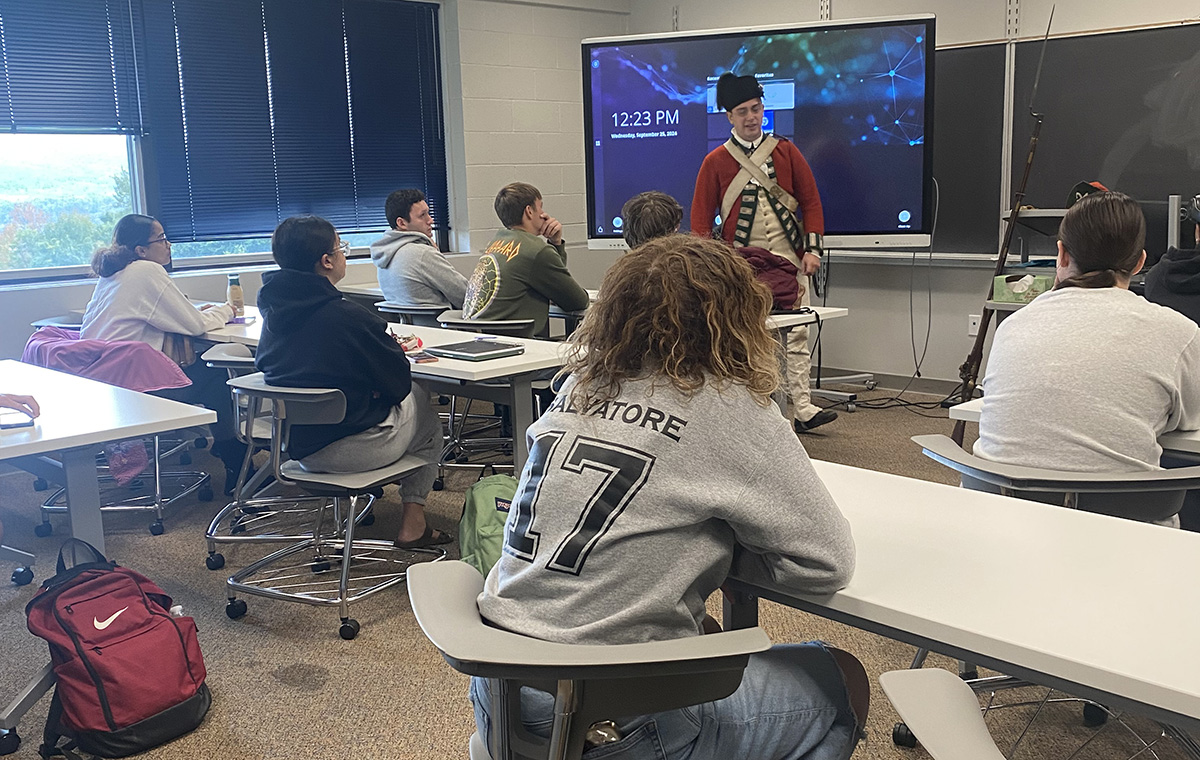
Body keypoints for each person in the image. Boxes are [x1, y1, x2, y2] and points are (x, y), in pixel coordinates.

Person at [472, 234, 865, 760]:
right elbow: (826, 566)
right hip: (612, 716)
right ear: (735, 318)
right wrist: (720, 552)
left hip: (503, 693)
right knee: (841, 676)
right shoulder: (730, 405)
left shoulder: (579, 385)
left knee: (702, 629)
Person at [977, 192, 1200, 523]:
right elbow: (1191, 420)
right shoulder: (1178, 332)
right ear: (1139, 262)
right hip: (1124, 541)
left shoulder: (1012, 326)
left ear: (1062, 254)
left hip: (1005, 523)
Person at [255, 216, 448, 548]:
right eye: (340, 248)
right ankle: (413, 521)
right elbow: (398, 384)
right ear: (326, 261)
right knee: (424, 405)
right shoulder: (352, 317)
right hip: (356, 450)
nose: (344, 254)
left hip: (296, 450)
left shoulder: (272, 316)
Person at [690, 72, 834, 434]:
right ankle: (760, 413)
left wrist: (812, 250)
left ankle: (801, 407)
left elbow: (811, 202)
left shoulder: (786, 151)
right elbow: (700, 221)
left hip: (788, 257)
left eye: (755, 109)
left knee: (798, 333)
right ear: (729, 116)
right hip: (741, 266)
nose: (751, 117)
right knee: (748, 337)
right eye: (743, 111)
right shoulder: (714, 162)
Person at [80, 214, 246, 492]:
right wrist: (228, 310)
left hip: (102, 385)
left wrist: (195, 313)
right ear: (140, 250)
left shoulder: (113, 274)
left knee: (209, 375)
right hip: (133, 393)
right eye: (161, 239)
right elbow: (195, 325)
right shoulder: (146, 270)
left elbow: (158, 316)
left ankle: (229, 451)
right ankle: (238, 467)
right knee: (219, 377)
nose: (168, 244)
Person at [463, 182, 590, 337]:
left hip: (483, 339)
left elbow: (555, 288)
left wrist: (555, 244)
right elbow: (576, 301)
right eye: (540, 207)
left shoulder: (495, 243)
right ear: (529, 211)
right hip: (519, 345)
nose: (544, 214)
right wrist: (555, 245)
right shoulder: (536, 250)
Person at [370, 188, 467, 319]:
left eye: (428, 213)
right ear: (402, 223)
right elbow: (467, 296)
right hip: (444, 331)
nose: (430, 220)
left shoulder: (385, 257)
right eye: (423, 215)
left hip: (409, 334)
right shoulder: (423, 254)